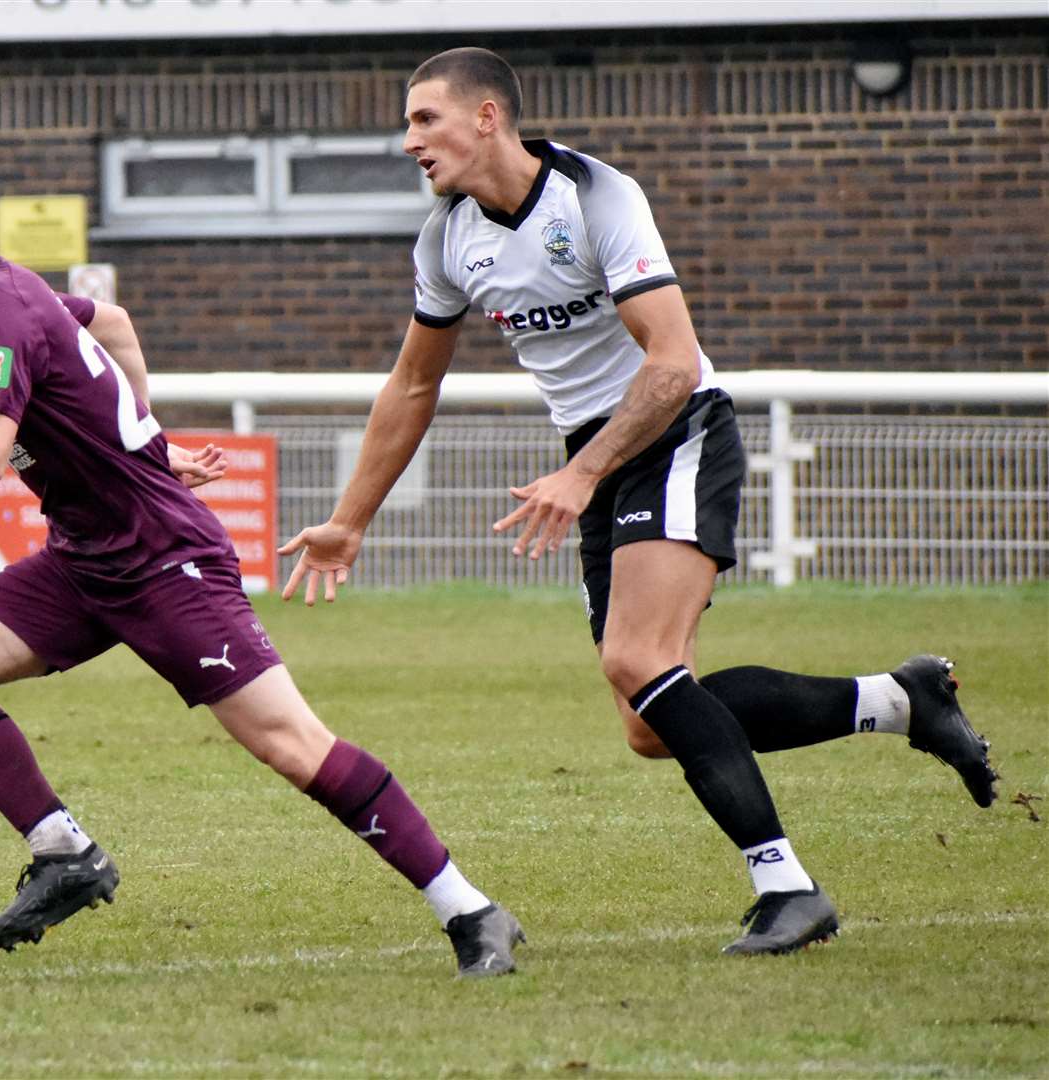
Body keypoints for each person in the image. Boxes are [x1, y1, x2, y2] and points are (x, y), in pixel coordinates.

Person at [0, 131, 526, 978]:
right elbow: (111, 323)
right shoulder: (1, 293)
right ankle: (64, 854)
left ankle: (471, 911)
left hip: (163, 559)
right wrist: (146, 442)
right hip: (87, 559)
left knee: (290, 745)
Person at [278, 48, 999, 956]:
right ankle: (899, 702)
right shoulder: (446, 239)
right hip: (598, 455)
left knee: (634, 657)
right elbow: (412, 385)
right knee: (649, 724)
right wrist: (349, 521)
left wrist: (583, 475)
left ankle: (788, 886)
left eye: (425, 119)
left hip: (676, 429)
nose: (409, 139)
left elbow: (668, 360)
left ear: (487, 117)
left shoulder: (595, 195)